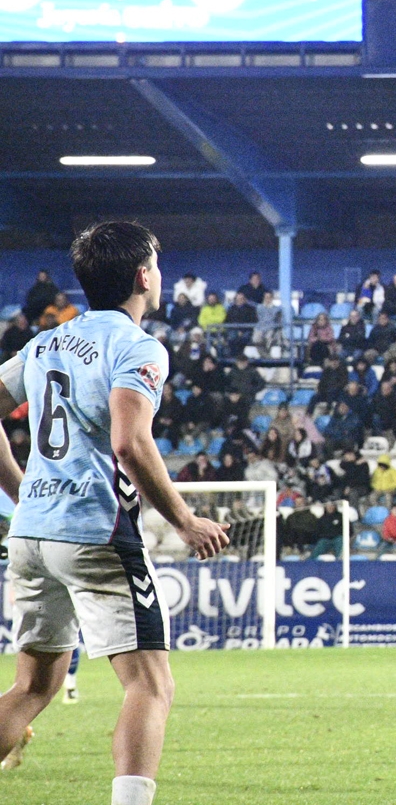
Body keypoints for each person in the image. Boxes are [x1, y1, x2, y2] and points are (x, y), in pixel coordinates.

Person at [0, 221, 229, 801]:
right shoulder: (136, 346)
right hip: (94, 531)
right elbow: (129, 443)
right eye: (157, 263)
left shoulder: (48, 341)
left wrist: (22, 491)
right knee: (149, 685)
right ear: (143, 275)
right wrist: (184, 519)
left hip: (31, 536)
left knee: (31, 688)